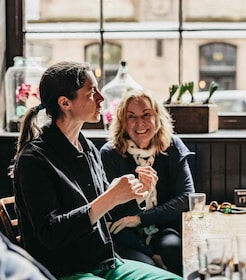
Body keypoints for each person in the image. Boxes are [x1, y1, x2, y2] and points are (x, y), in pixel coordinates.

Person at [12, 61, 182, 279]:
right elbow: (50, 233)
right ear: (65, 103)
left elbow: (108, 212)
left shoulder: (88, 148)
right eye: (92, 92)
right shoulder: (33, 159)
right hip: (63, 271)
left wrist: (137, 193)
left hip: (105, 263)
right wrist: (109, 198)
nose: (101, 98)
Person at [100, 90, 195, 276]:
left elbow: (187, 198)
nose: (140, 123)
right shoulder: (109, 154)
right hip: (124, 235)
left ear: (157, 118)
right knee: (146, 263)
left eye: (146, 115)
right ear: (122, 121)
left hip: (163, 227)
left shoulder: (173, 146)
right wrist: (138, 196)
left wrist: (140, 219)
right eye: (131, 116)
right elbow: (112, 211)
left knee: (172, 248)